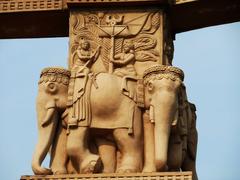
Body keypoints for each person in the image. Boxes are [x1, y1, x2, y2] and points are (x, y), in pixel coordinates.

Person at [67, 39, 101, 174]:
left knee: (88, 73)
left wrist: (95, 55)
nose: (86, 46)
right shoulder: (79, 52)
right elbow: (82, 58)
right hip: (78, 69)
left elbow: (92, 58)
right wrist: (90, 56)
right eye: (84, 45)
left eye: (87, 44)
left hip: (86, 69)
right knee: (85, 74)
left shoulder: (88, 51)